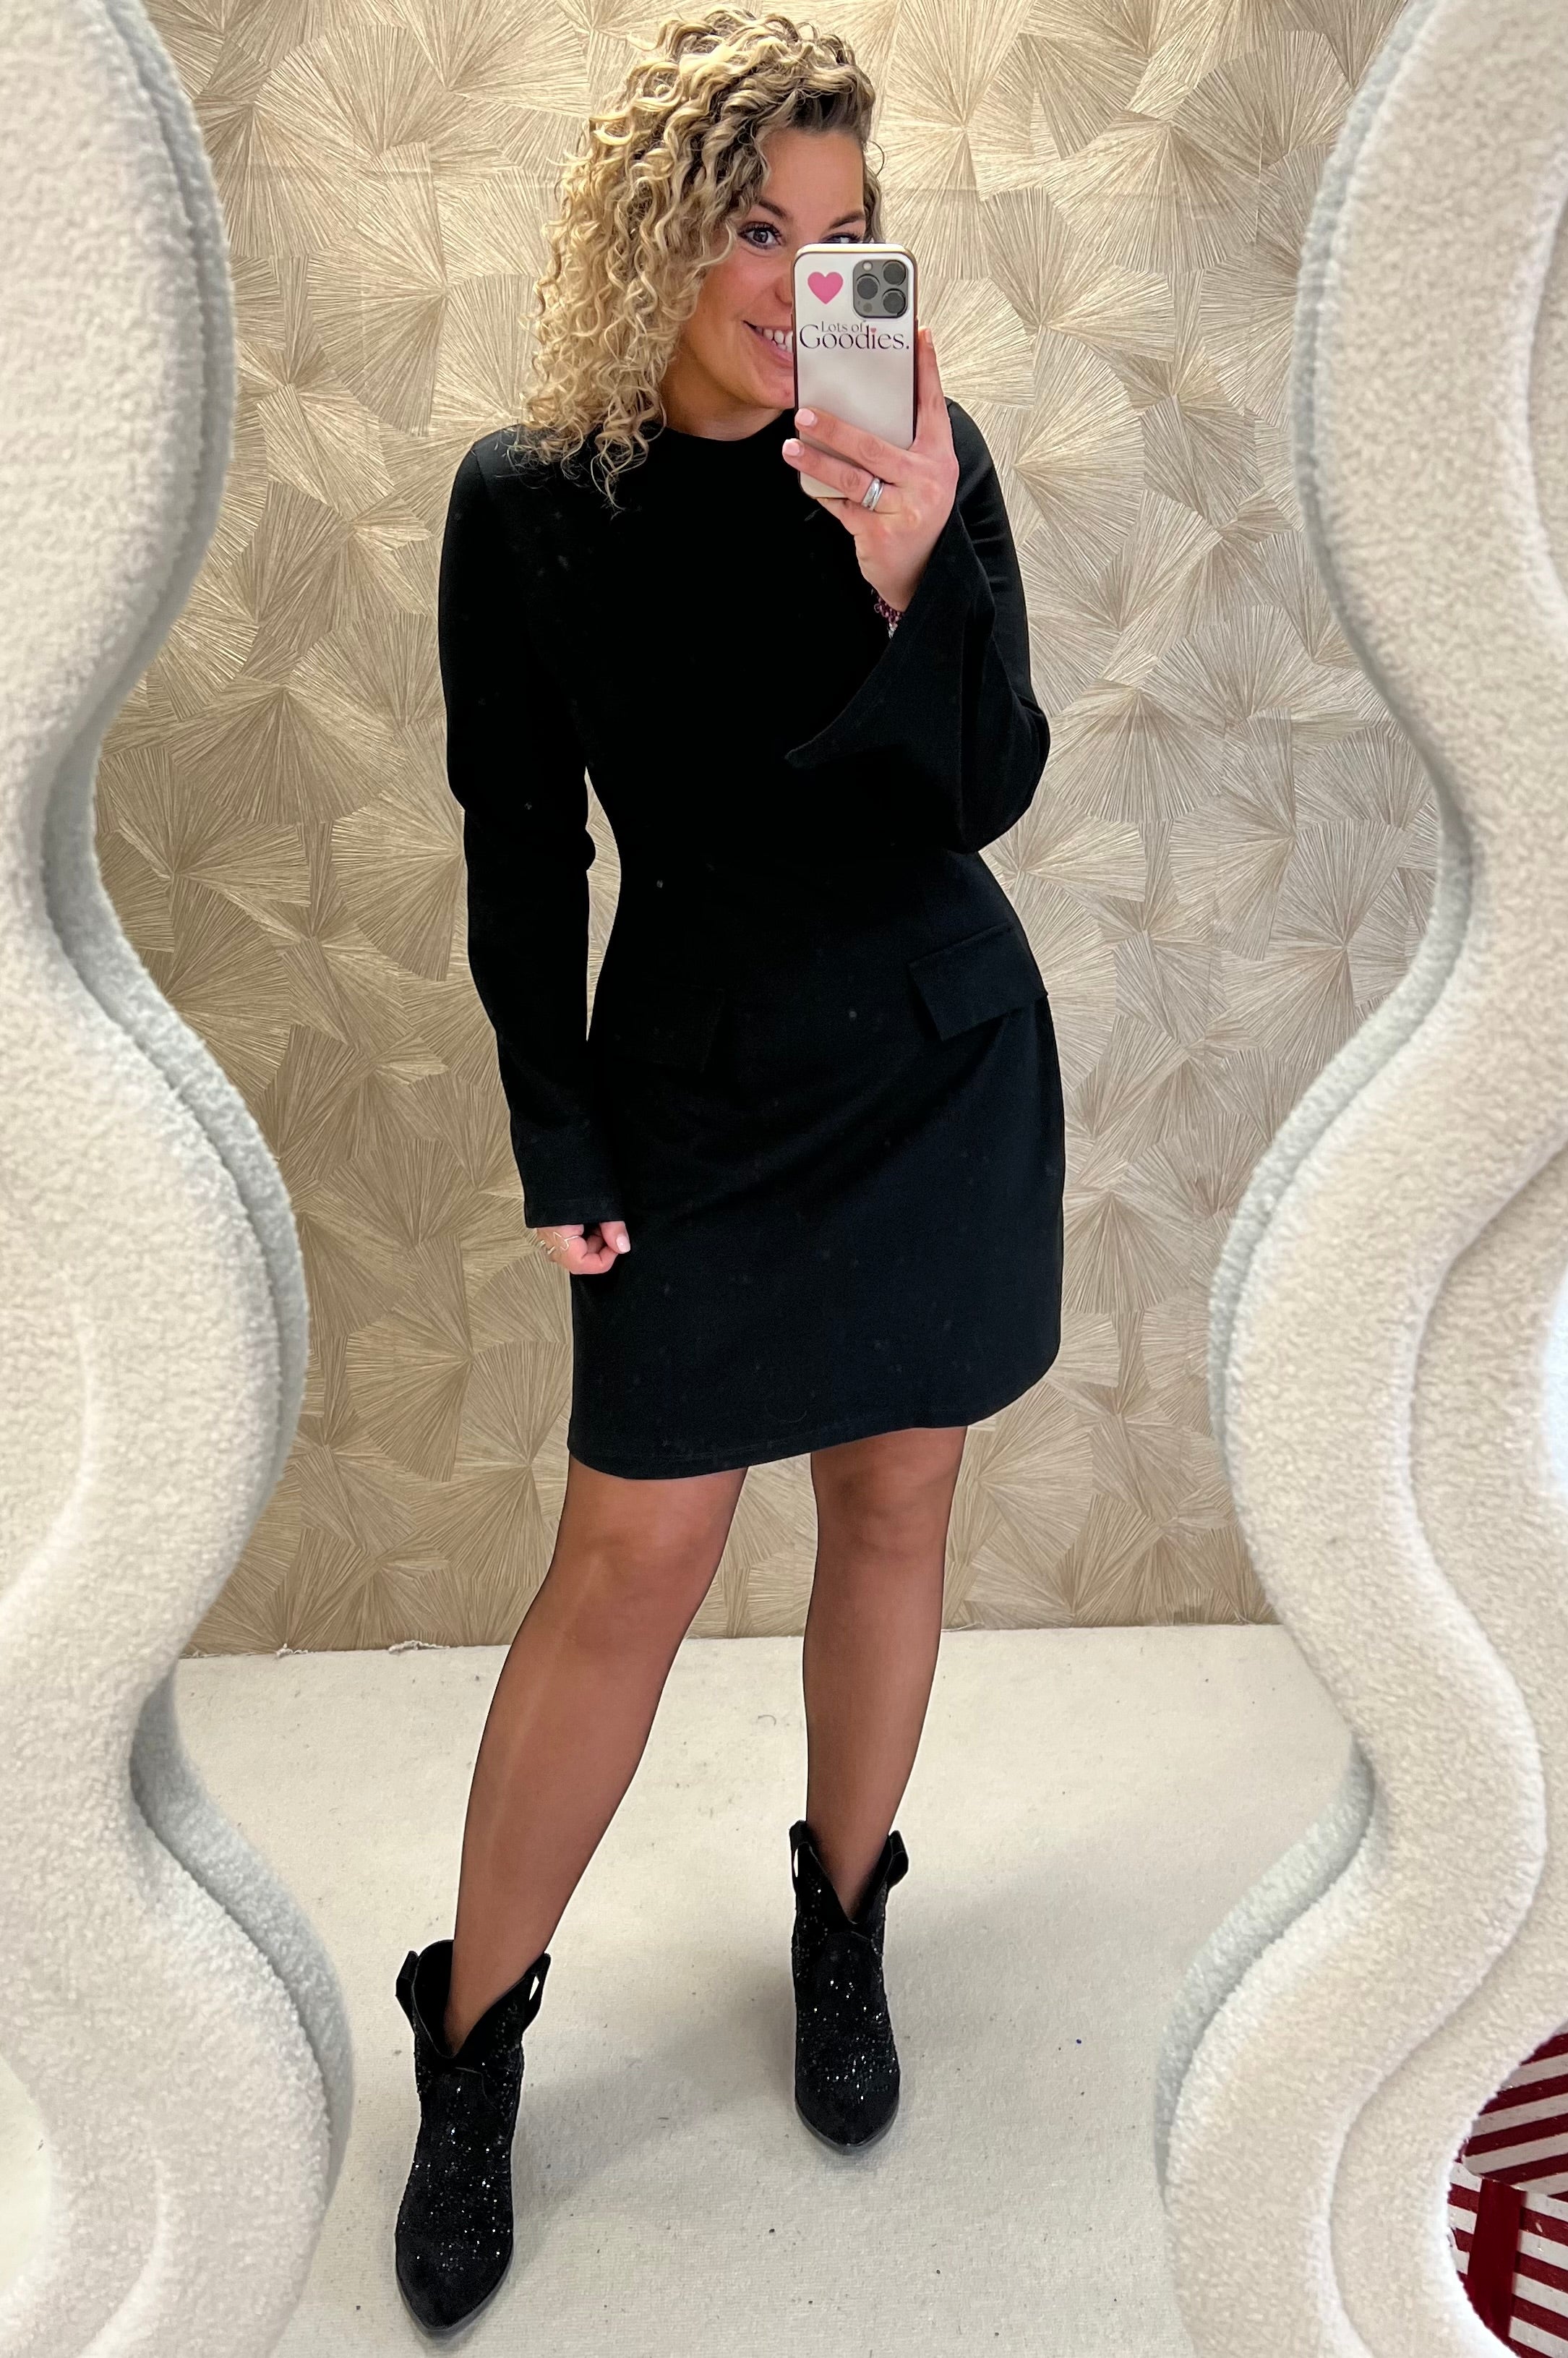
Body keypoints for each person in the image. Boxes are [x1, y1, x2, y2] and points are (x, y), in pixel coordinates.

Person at [392, 5, 1064, 2336]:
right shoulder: (526, 506)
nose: (803, 283)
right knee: (632, 1561)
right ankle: (471, 2040)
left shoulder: (910, 455)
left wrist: (912, 564)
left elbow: (985, 788)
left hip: (934, 1061)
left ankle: (844, 1920)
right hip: (687, 1090)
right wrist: (554, 1123)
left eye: (844, 236)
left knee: (895, 1503)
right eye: (759, 228)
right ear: (660, 233)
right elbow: (518, 847)